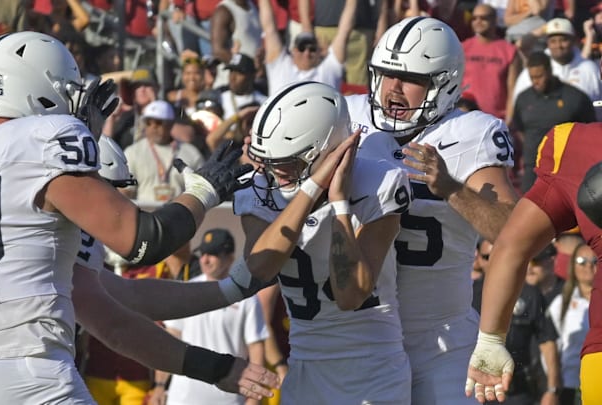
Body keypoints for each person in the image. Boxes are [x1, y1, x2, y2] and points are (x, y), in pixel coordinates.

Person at [0, 31, 276, 404]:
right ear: (39, 87)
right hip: (27, 373)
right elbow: (145, 240)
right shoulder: (47, 140)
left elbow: (113, 305)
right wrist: (204, 190)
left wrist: (221, 347)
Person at [345, 16, 519, 404]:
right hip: (362, 334)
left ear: (445, 83)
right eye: (385, 74)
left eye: (409, 79)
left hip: (442, 341)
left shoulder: (472, 133)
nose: (392, 88)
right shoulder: (348, 116)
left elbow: (515, 234)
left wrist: (452, 189)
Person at [235, 81, 413, 404]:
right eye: (269, 163)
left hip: (374, 371)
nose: (274, 174)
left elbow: (349, 295)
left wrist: (339, 204)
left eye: (285, 163)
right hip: (305, 367)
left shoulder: (381, 183)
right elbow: (261, 266)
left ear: (326, 152)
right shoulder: (260, 188)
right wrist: (314, 186)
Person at [464, 120, 602, 403]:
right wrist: (490, 340)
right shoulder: (575, 145)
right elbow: (511, 246)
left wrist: (491, 338)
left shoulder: (576, 143)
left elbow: (511, 246)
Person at [150, 229, 268, 405]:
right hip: (182, 398)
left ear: (229, 258)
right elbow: (171, 341)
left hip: (229, 399)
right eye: (203, 253)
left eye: (213, 254)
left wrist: (253, 398)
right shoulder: (185, 291)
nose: (205, 259)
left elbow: (256, 348)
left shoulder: (247, 298)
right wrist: (159, 386)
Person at [471, 239, 561, 405]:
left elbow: (548, 342)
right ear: (478, 260)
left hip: (518, 391)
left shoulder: (529, 293)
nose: (492, 261)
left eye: (497, 255)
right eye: (487, 257)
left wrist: (552, 389)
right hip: (477, 390)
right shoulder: (467, 294)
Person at [512, 51, 596, 192]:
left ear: (549, 71)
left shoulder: (575, 97)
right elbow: (520, 128)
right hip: (533, 168)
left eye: (539, 76)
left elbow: (590, 130)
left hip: (567, 168)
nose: (535, 82)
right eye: (532, 77)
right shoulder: (523, 98)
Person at [548, 242, 597, 405]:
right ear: (573, 265)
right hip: (569, 384)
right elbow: (550, 345)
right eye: (582, 261)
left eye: (595, 261)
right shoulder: (561, 303)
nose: (588, 266)